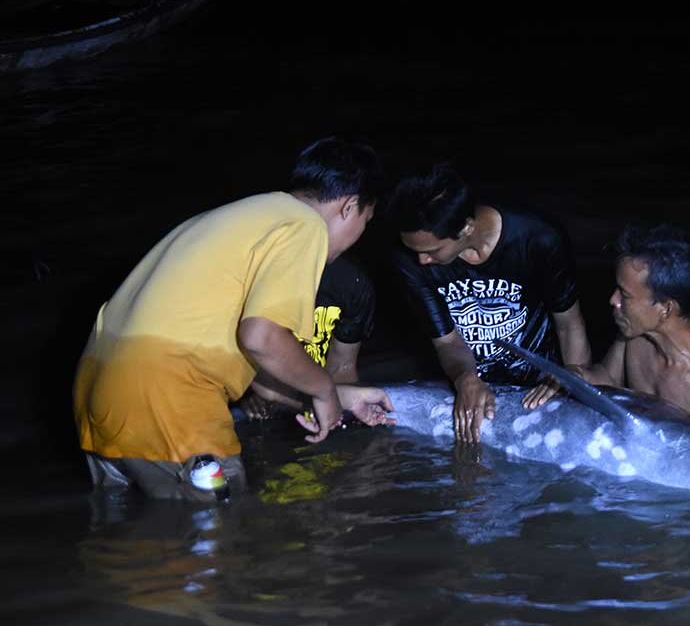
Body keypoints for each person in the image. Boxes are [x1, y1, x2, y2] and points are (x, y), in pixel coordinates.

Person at [72, 137, 395, 501]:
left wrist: (340, 398)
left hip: (100, 387)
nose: (357, 239)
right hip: (168, 394)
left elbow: (261, 378)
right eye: (365, 222)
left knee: (144, 539)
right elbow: (261, 337)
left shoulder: (242, 217)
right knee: (226, 530)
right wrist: (322, 388)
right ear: (350, 206)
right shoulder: (304, 227)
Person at [391, 163, 591, 443]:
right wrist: (466, 379)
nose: (422, 261)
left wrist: (575, 381)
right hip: (468, 383)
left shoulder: (538, 238)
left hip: (541, 385)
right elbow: (447, 341)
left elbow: (569, 324)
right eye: (416, 252)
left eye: (432, 251)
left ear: (466, 228)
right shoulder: (409, 257)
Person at [564, 225, 690, 441]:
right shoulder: (635, 334)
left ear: (666, 308)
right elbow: (607, 379)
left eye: (624, 294)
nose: (613, 300)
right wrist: (572, 376)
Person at [236, 253, 376, 420]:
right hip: (249, 387)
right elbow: (252, 346)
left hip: (312, 395)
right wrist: (247, 395)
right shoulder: (249, 277)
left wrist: (341, 410)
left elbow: (342, 369)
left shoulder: (350, 283)